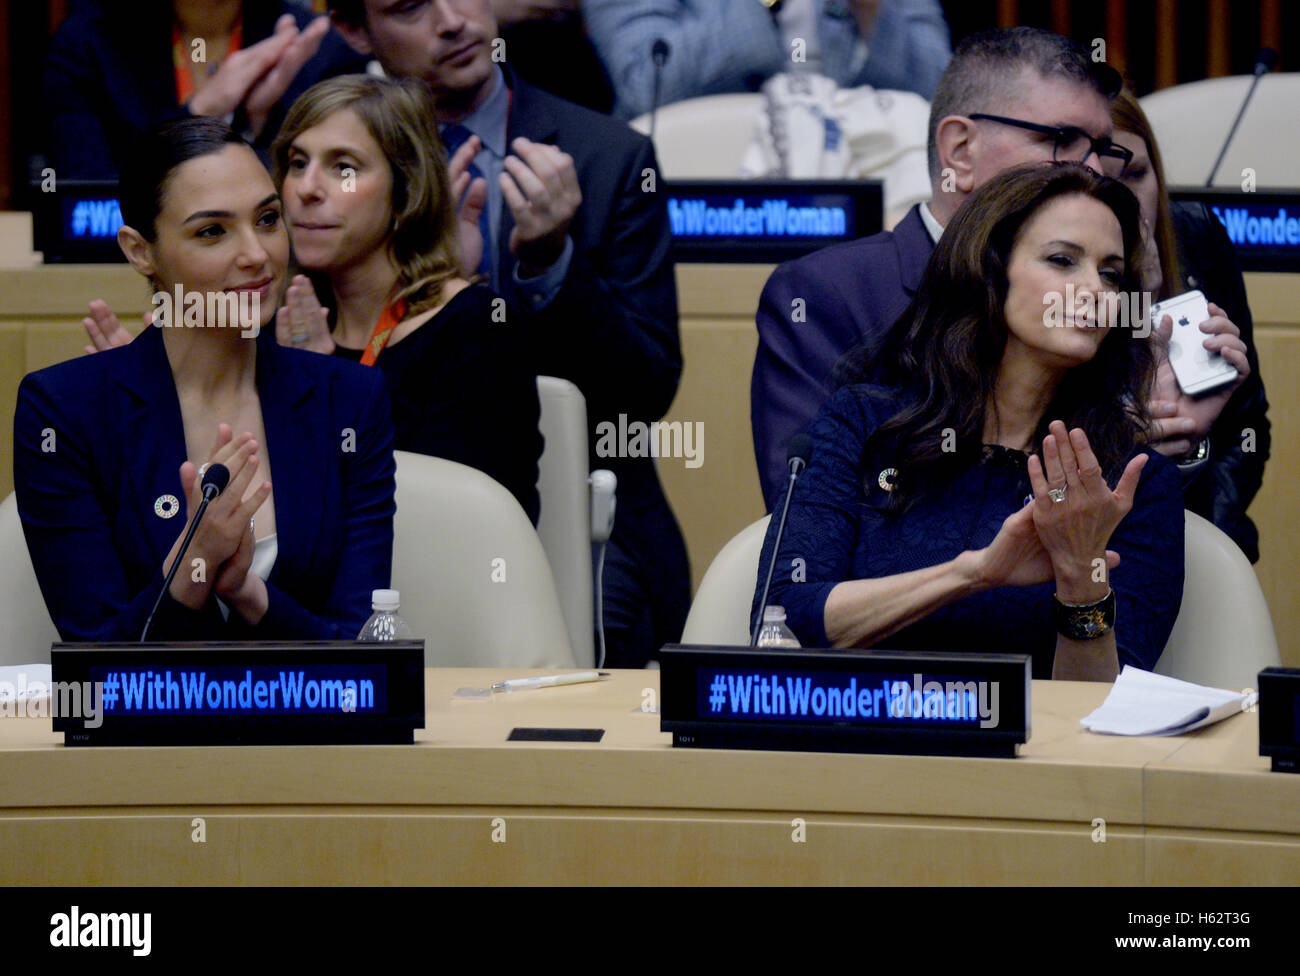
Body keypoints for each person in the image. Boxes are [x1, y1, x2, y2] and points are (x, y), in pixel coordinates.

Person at [750, 27, 1251, 511]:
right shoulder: (829, 294)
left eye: (1102, 149)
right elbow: (805, 516)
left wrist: (1168, 444)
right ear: (960, 152)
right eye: (1062, 139)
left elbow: (1144, 546)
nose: (1094, 172)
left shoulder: (1109, 294)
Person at [326, 0, 690, 667]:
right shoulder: (323, 174)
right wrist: (428, 295)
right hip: (363, 512)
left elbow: (648, 390)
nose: (453, 21)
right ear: (354, 30)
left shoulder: (610, 155)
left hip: (584, 507)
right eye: (410, 7)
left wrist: (551, 262)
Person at [755, 164, 1189, 680]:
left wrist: (1079, 581)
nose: (1094, 289)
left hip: (1029, 758)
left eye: (1111, 273)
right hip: (856, 738)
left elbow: (1106, 706)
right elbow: (783, 623)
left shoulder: (1127, 481)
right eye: (1063, 260)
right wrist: (975, 573)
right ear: (989, 269)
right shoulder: (866, 424)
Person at [83, 75, 544, 523]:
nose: (306, 189)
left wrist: (323, 403)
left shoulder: (476, 330)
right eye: (298, 163)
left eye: (343, 167)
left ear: (407, 191)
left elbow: (475, 527)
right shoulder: (265, 320)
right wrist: (156, 409)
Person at [15, 117, 396, 643]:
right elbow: (94, 658)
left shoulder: (349, 401)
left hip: (317, 725)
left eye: (267, 220)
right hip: (148, 727)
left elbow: (362, 644)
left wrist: (248, 593)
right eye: (212, 231)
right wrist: (194, 567)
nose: (257, 255)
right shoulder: (64, 411)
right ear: (138, 250)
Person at [1105, 88, 1270, 562]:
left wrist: (1205, 542)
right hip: (1099, 555)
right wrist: (1137, 292)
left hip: (1202, 546)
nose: (1132, 203)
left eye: (1137, 174)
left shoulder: (1194, 233)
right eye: (1106, 183)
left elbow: (1248, 429)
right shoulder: (1055, 279)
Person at [43, 0, 368, 179]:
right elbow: (84, 201)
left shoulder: (321, 49)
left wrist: (255, 129)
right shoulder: (86, 46)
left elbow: (338, 199)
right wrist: (201, 113)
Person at [581, 0, 952, 120]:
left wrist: (869, 9)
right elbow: (645, 84)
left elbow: (942, 94)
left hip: (858, 185)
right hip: (704, 182)